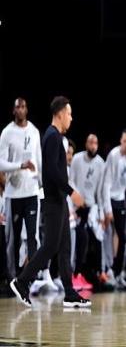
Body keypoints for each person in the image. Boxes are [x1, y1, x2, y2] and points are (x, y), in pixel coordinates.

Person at [10, 96, 91, 308]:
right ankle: (21, 281)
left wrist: (67, 195)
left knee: (65, 248)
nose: (71, 118)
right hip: (53, 201)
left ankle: (70, 293)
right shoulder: (52, 136)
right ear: (61, 114)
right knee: (50, 246)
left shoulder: (55, 136)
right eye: (69, 114)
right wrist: (72, 192)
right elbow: (52, 172)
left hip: (59, 200)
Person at [0, 98, 41, 279]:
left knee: (32, 236)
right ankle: (13, 277)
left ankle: (30, 278)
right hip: (13, 193)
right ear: (13, 110)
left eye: (23, 106)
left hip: (31, 192)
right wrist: (20, 165)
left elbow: (39, 160)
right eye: (18, 107)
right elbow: (1, 163)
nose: (21, 110)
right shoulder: (7, 133)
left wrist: (41, 184)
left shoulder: (34, 131)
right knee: (13, 238)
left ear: (27, 109)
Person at [102, 129, 126, 288]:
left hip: (121, 199)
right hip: (109, 197)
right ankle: (106, 269)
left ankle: (117, 270)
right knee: (107, 234)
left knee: (122, 237)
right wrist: (107, 209)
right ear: (120, 141)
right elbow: (107, 183)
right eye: (124, 141)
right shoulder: (113, 155)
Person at [69, 134, 105, 289]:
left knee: (98, 237)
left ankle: (99, 272)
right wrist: (76, 202)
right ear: (86, 144)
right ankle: (74, 273)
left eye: (95, 143)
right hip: (77, 207)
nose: (93, 146)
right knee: (80, 238)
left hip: (92, 207)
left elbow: (100, 191)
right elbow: (71, 181)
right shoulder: (77, 159)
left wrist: (101, 213)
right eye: (91, 142)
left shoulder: (101, 163)